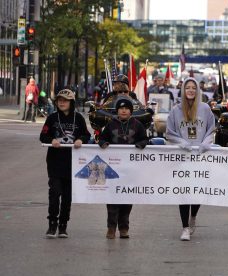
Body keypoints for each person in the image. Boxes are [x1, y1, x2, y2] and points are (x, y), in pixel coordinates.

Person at [166, 77, 215, 241]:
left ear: (198, 90)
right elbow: (169, 133)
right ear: (183, 90)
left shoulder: (205, 108)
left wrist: (205, 144)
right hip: (182, 156)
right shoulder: (175, 110)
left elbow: (211, 130)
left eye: (194, 87)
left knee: (197, 192)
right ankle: (185, 227)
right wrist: (182, 143)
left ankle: (193, 215)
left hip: (200, 157)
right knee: (184, 193)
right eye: (188, 87)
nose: (191, 90)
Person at [39, 89, 91, 238]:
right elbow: (43, 136)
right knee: (55, 193)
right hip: (55, 162)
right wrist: (51, 140)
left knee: (67, 196)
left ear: (71, 102)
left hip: (73, 163)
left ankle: (63, 225)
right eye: (59, 100)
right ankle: (52, 224)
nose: (62, 102)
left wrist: (81, 139)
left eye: (65, 100)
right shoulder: (52, 118)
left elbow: (86, 135)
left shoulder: (79, 118)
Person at [98, 98, 148, 239]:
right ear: (117, 111)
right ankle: (111, 227)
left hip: (131, 169)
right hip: (113, 168)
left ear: (131, 111)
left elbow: (145, 139)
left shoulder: (137, 125)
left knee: (127, 198)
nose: (124, 110)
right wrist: (103, 143)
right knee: (113, 198)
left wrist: (141, 144)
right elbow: (101, 139)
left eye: (126, 108)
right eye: (121, 108)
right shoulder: (110, 125)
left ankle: (124, 228)